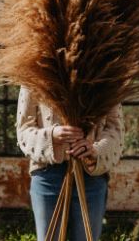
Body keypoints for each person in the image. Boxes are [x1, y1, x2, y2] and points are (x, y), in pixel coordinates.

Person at [16, 84, 124, 241]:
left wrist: (96, 150)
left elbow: (115, 129)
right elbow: (23, 131)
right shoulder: (34, 75)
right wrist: (52, 135)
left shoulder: (105, 74)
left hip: (91, 178)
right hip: (47, 176)